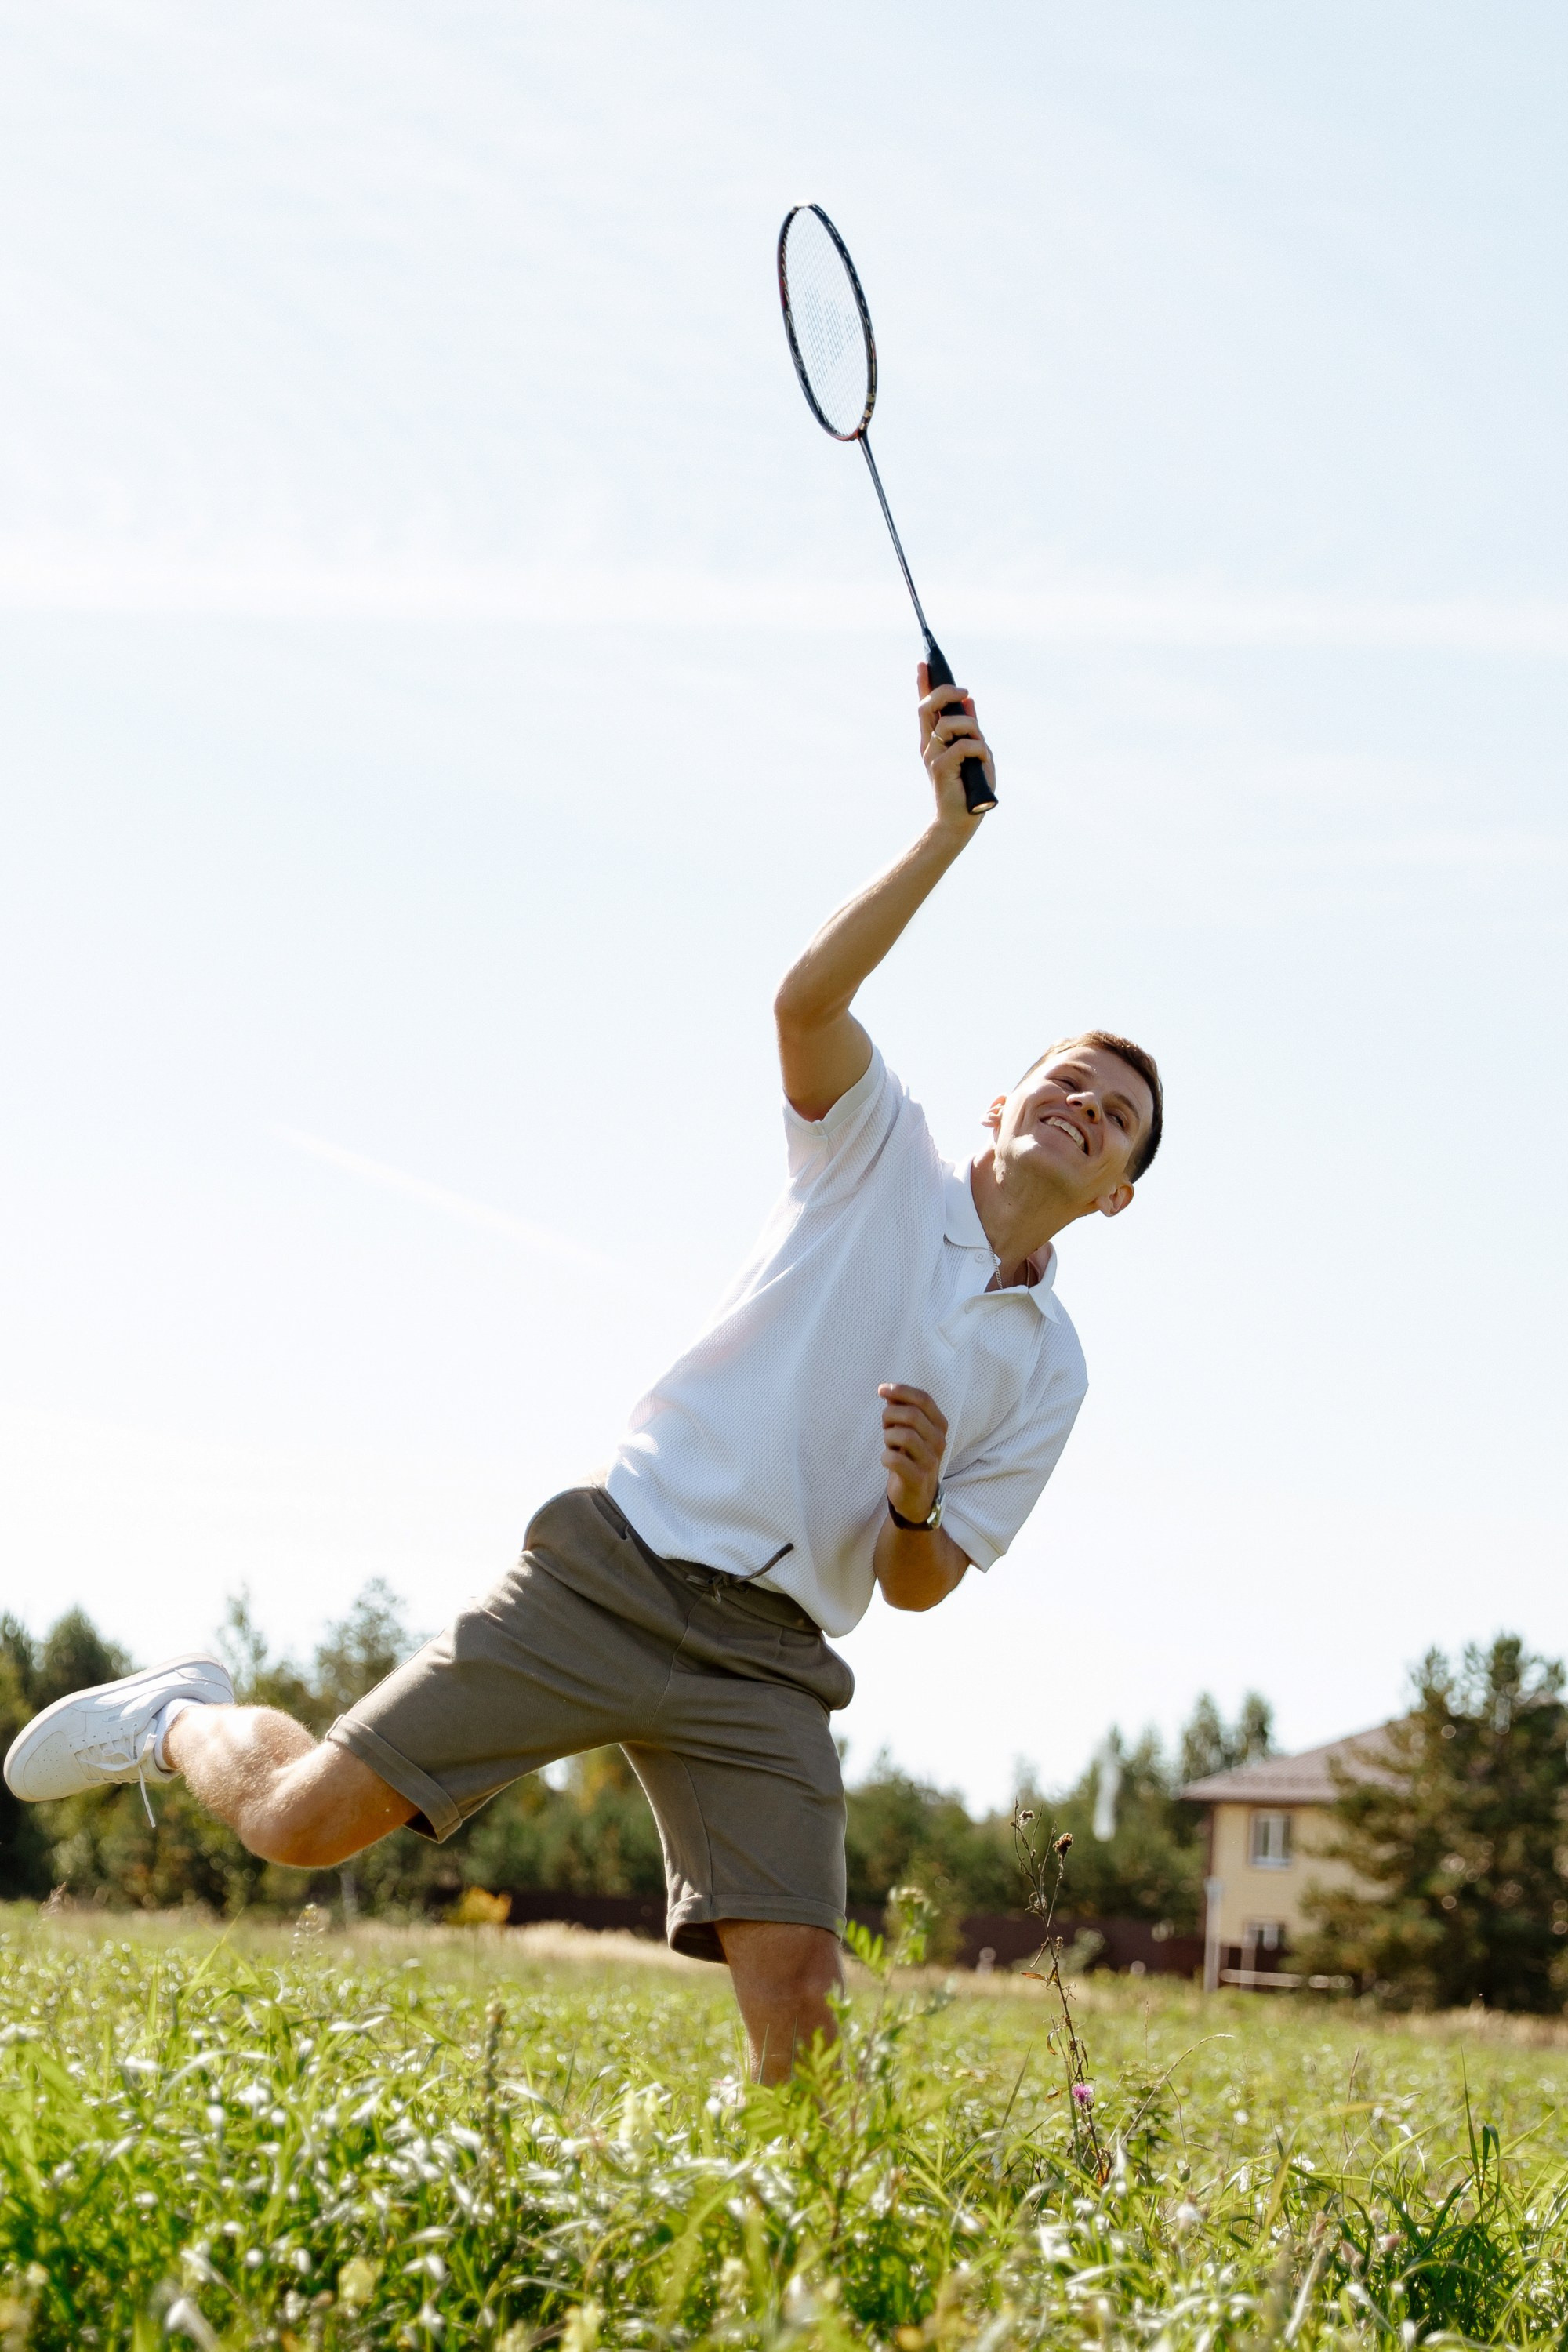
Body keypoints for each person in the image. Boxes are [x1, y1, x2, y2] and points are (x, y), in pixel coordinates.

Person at [5, 670, 1161, 2081]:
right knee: (301, 1825)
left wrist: (915, 1501)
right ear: (1004, 1102)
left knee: (806, 2024)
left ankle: (804, 2288)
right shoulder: (878, 1146)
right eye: (1064, 1082)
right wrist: (945, 834)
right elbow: (805, 1000)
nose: (1082, 1111)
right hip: (615, 1567)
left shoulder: (1054, 1372)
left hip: (774, 1664)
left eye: (1116, 1122)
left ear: (1114, 1196)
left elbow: (925, 1583)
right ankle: (181, 1712)